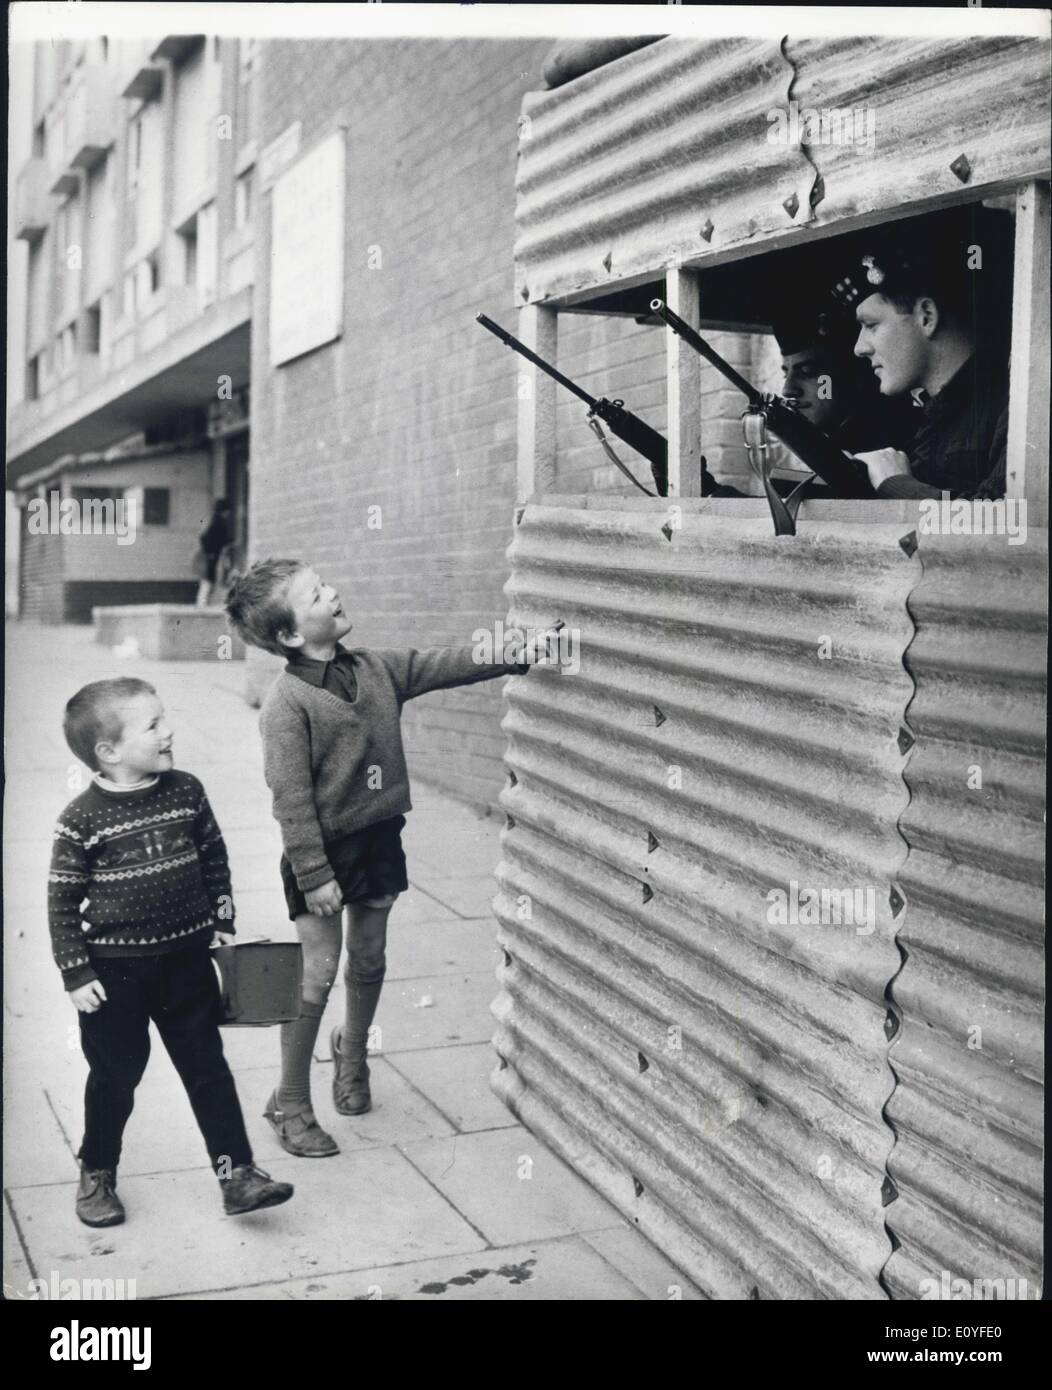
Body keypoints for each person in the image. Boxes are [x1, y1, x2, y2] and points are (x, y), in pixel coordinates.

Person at [225, 560, 539, 1156]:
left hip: (376, 841)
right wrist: (315, 875)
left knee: (369, 957)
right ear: (291, 635)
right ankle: (290, 1101)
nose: (334, 590)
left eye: (326, 583)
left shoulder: (375, 668)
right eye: (316, 594)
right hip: (319, 852)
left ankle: (353, 1053)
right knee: (317, 972)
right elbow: (290, 800)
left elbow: (442, 663)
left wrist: (518, 650)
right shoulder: (286, 706)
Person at [50, 677, 294, 1224]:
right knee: (115, 1076)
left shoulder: (186, 791)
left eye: (166, 719)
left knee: (207, 1068)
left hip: (187, 962)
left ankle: (239, 1178)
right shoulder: (81, 819)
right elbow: (61, 902)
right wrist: (75, 972)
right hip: (116, 975)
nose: (169, 731)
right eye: (153, 725)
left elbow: (214, 856)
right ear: (108, 752)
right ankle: (97, 1172)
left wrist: (223, 919)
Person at [830, 205, 1014, 499]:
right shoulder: (933, 418)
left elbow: (1001, 528)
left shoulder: (1017, 408)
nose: (858, 348)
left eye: (871, 325)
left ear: (926, 317)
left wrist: (897, 484)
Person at [195, 499, 233, 607]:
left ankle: (203, 603)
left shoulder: (216, 522)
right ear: (223, 511)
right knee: (209, 580)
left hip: (214, 556)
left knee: (210, 580)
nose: (228, 514)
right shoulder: (218, 523)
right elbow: (205, 539)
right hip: (213, 556)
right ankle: (202, 604)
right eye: (227, 511)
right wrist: (210, 552)